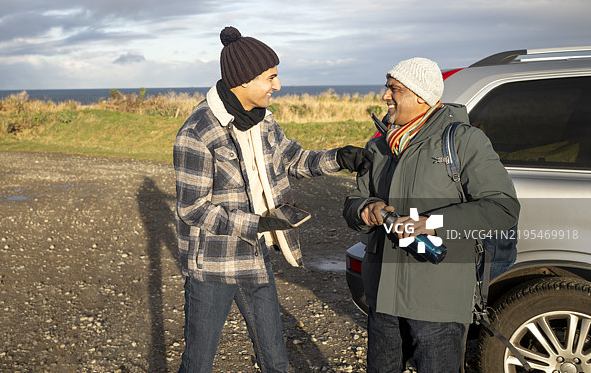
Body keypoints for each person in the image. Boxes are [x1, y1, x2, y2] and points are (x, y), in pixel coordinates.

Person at [174, 26, 371, 373]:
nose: (277, 86)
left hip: (257, 257)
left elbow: (293, 160)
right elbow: (193, 208)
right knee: (198, 363)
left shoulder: (263, 122)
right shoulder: (196, 133)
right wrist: (259, 223)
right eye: (271, 77)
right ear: (244, 80)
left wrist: (339, 158)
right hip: (213, 267)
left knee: (276, 360)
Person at [342, 57, 520, 373]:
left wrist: (432, 223)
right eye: (387, 87)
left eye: (394, 89)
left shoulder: (463, 141)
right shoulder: (379, 146)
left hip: (437, 301)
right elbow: (354, 201)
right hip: (383, 296)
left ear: (421, 96)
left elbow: (502, 207)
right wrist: (365, 209)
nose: (385, 96)